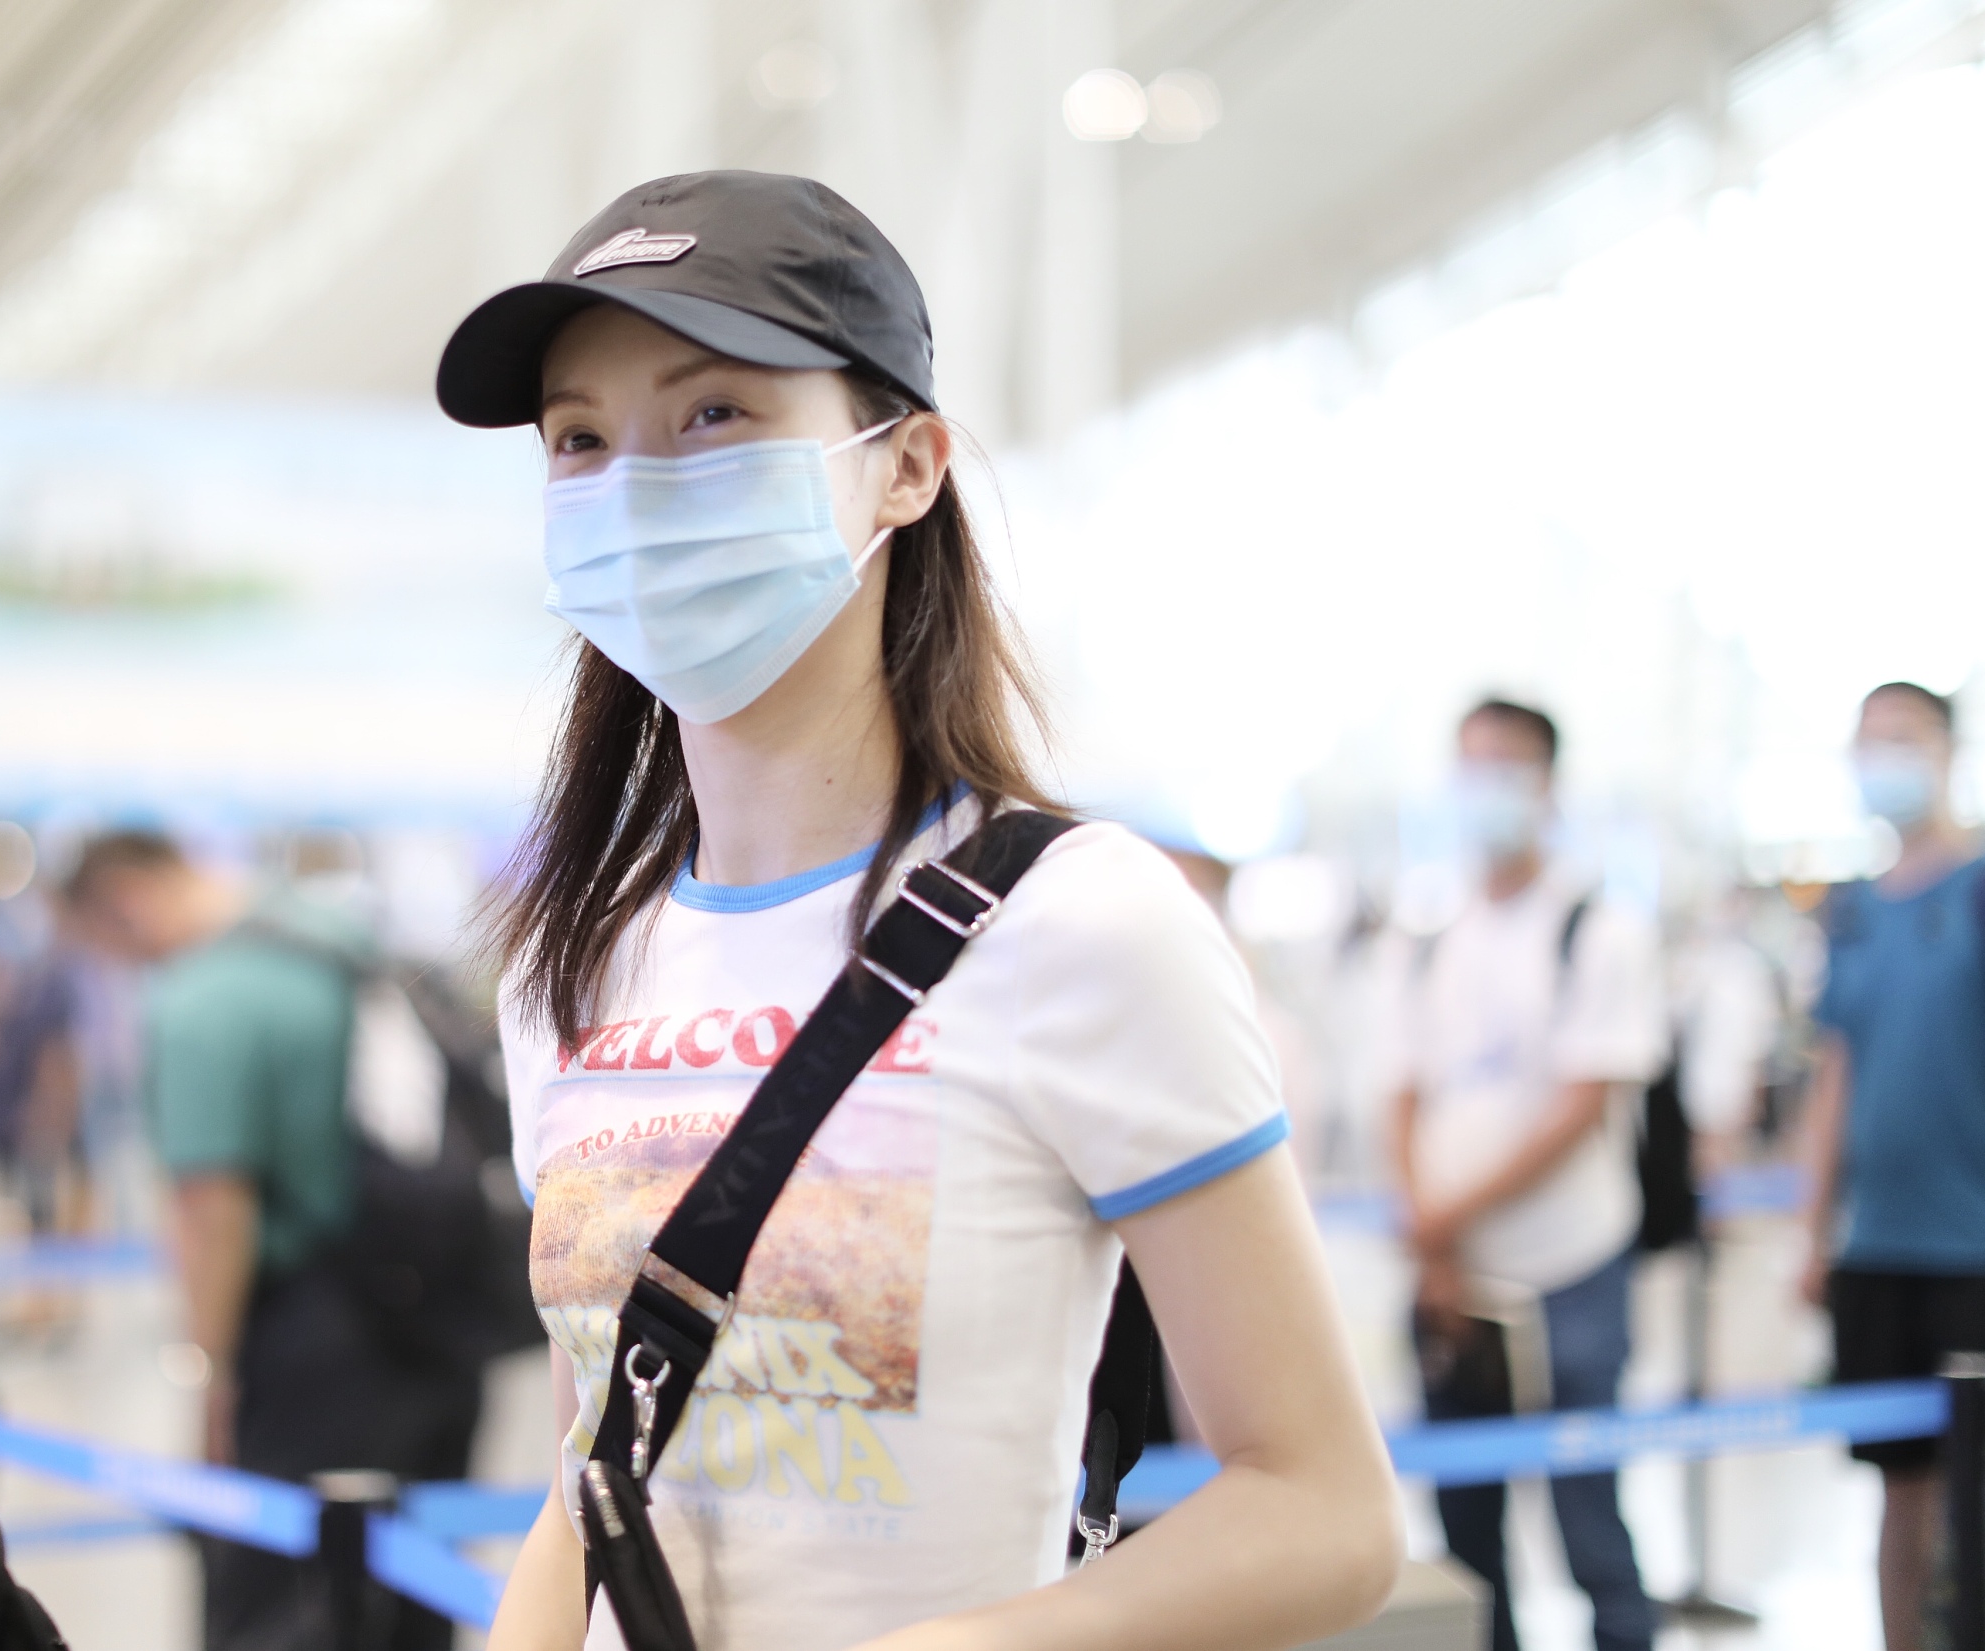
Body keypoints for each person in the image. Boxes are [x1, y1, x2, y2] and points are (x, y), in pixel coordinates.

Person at [439, 170, 1399, 1651]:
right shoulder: (575, 958)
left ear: (905, 465)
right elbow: (592, 1482)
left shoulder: (1082, 924)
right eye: (580, 437)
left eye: (713, 413)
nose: (633, 485)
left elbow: (1324, 1508)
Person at [64, 830, 471, 1651]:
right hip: (435, 1320)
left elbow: (213, 1208)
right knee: (413, 1612)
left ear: (126, 900)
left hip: (304, 1346)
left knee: (272, 1612)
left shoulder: (204, 997)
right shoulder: (346, 943)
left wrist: (209, 1376)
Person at [1390, 699, 1663, 1651]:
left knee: (1590, 1514)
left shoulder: (1598, 928)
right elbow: (1401, 1093)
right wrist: (1431, 1237)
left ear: (1548, 782)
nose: (1486, 790)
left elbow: (1582, 1104)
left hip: (1570, 1264)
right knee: (1468, 1528)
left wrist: (1448, 1214)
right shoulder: (1429, 936)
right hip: (1456, 1276)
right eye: (1471, 766)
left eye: (1506, 766)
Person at [1798, 681, 1985, 1651]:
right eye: (1870, 740)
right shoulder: (1851, 909)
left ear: (1947, 750)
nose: (1884, 758)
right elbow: (1834, 1077)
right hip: (1876, 1247)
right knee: (1901, 1490)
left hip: (1975, 1243)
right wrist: (1812, 1230)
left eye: (1904, 737)